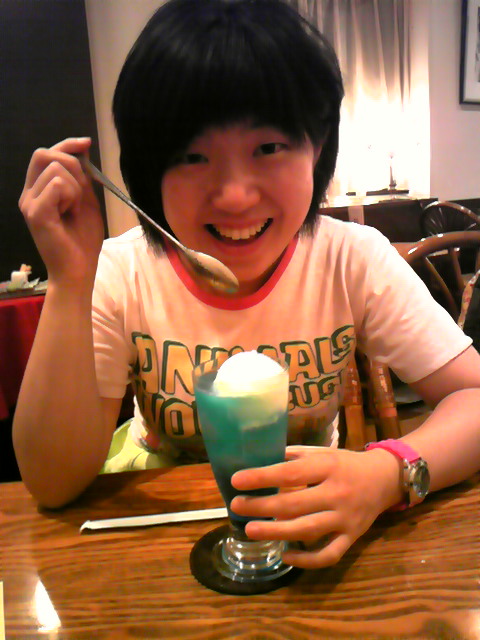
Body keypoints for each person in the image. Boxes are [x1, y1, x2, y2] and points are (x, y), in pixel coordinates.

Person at [14, 0, 480, 570]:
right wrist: (69, 280)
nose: (235, 195)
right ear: (150, 172)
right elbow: (51, 482)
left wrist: (390, 473)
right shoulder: (122, 272)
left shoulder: (350, 258)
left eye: (269, 148)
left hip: (306, 529)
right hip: (154, 535)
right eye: (192, 156)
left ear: (317, 147)